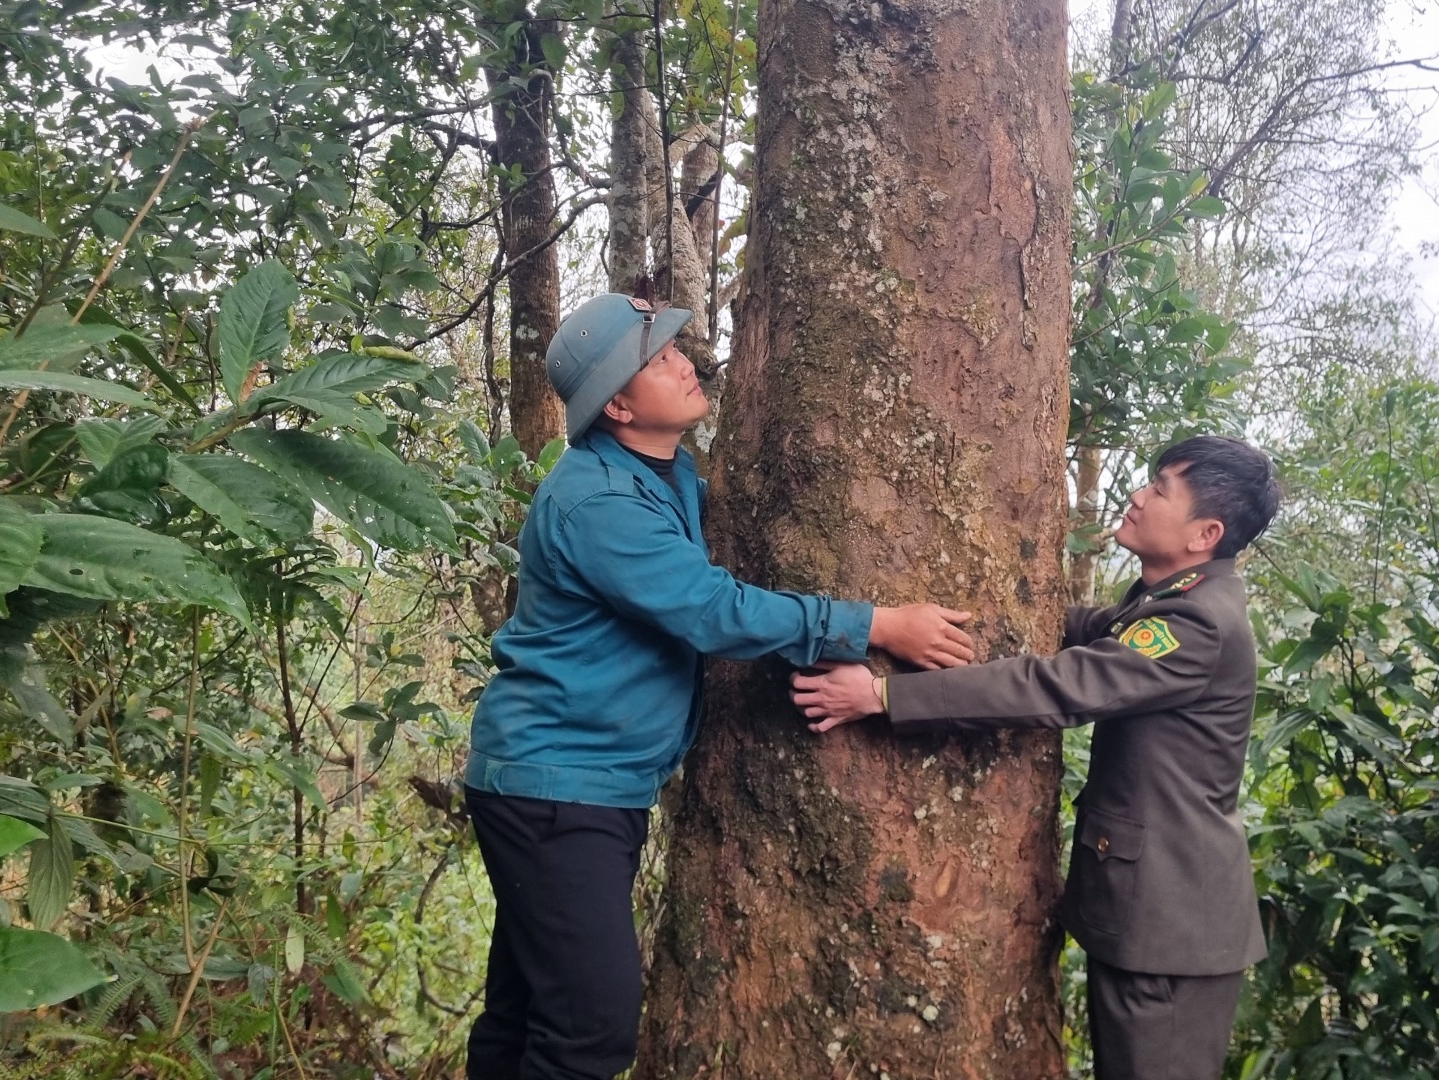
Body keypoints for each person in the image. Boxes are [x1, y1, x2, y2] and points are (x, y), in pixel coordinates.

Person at [464, 292, 975, 1080]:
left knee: (526, 1009)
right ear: (621, 408)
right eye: (656, 360)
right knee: (589, 1033)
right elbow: (711, 611)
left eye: (675, 348)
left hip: (581, 783)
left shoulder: (664, 474)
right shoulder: (597, 499)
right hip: (557, 789)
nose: (682, 361)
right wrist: (876, 625)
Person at [791, 435, 1281, 1080]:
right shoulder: (1173, 601)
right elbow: (1095, 633)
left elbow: (1058, 686)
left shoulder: (1197, 622)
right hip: (1152, 916)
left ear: (1204, 533)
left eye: (1160, 490)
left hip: (1170, 929)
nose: (1137, 495)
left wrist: (884, 694)